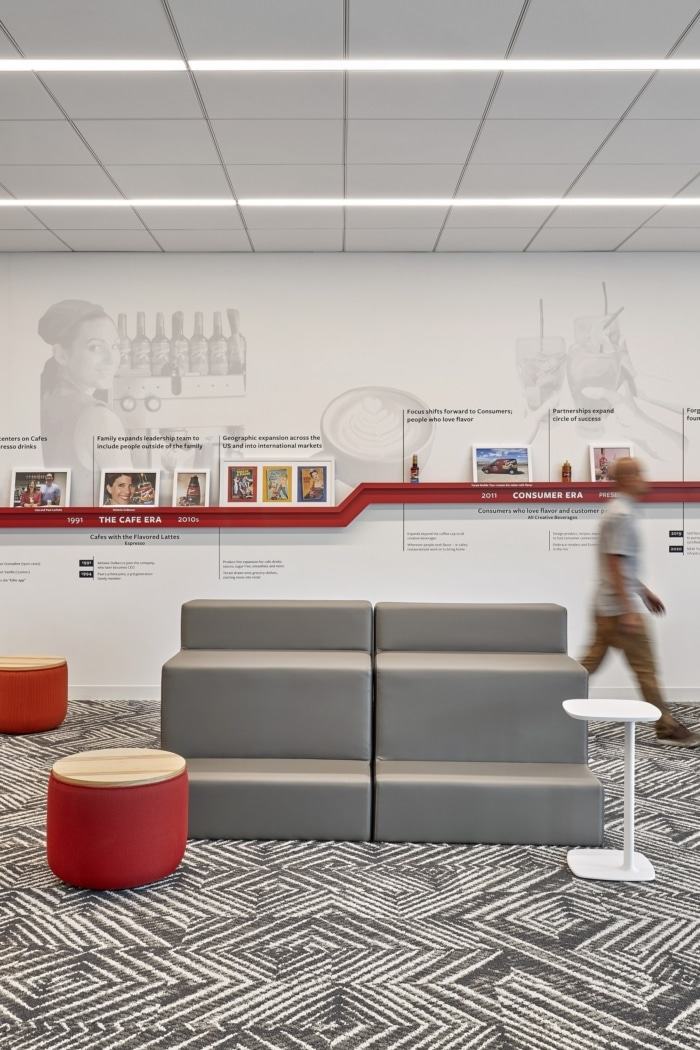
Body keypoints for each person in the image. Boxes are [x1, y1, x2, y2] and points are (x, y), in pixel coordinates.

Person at [581, 456, 699, 746]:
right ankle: (667, 727)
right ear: (626, 479)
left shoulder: (620, 511)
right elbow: (615, 563)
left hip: (607, 607)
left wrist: (644, 592)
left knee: (587, 666)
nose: (644, 479)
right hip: (617, 609)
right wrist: (628, 609)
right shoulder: (621, 514)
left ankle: (545, 698)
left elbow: (621, 564)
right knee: (646, 670)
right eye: (639, 474)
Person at [38, 300, 132, 506]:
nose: (112, 359)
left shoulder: (46, 400)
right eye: (96, 347)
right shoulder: (99, 417)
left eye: (115, 346)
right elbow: (129, 507)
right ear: (61, 355)